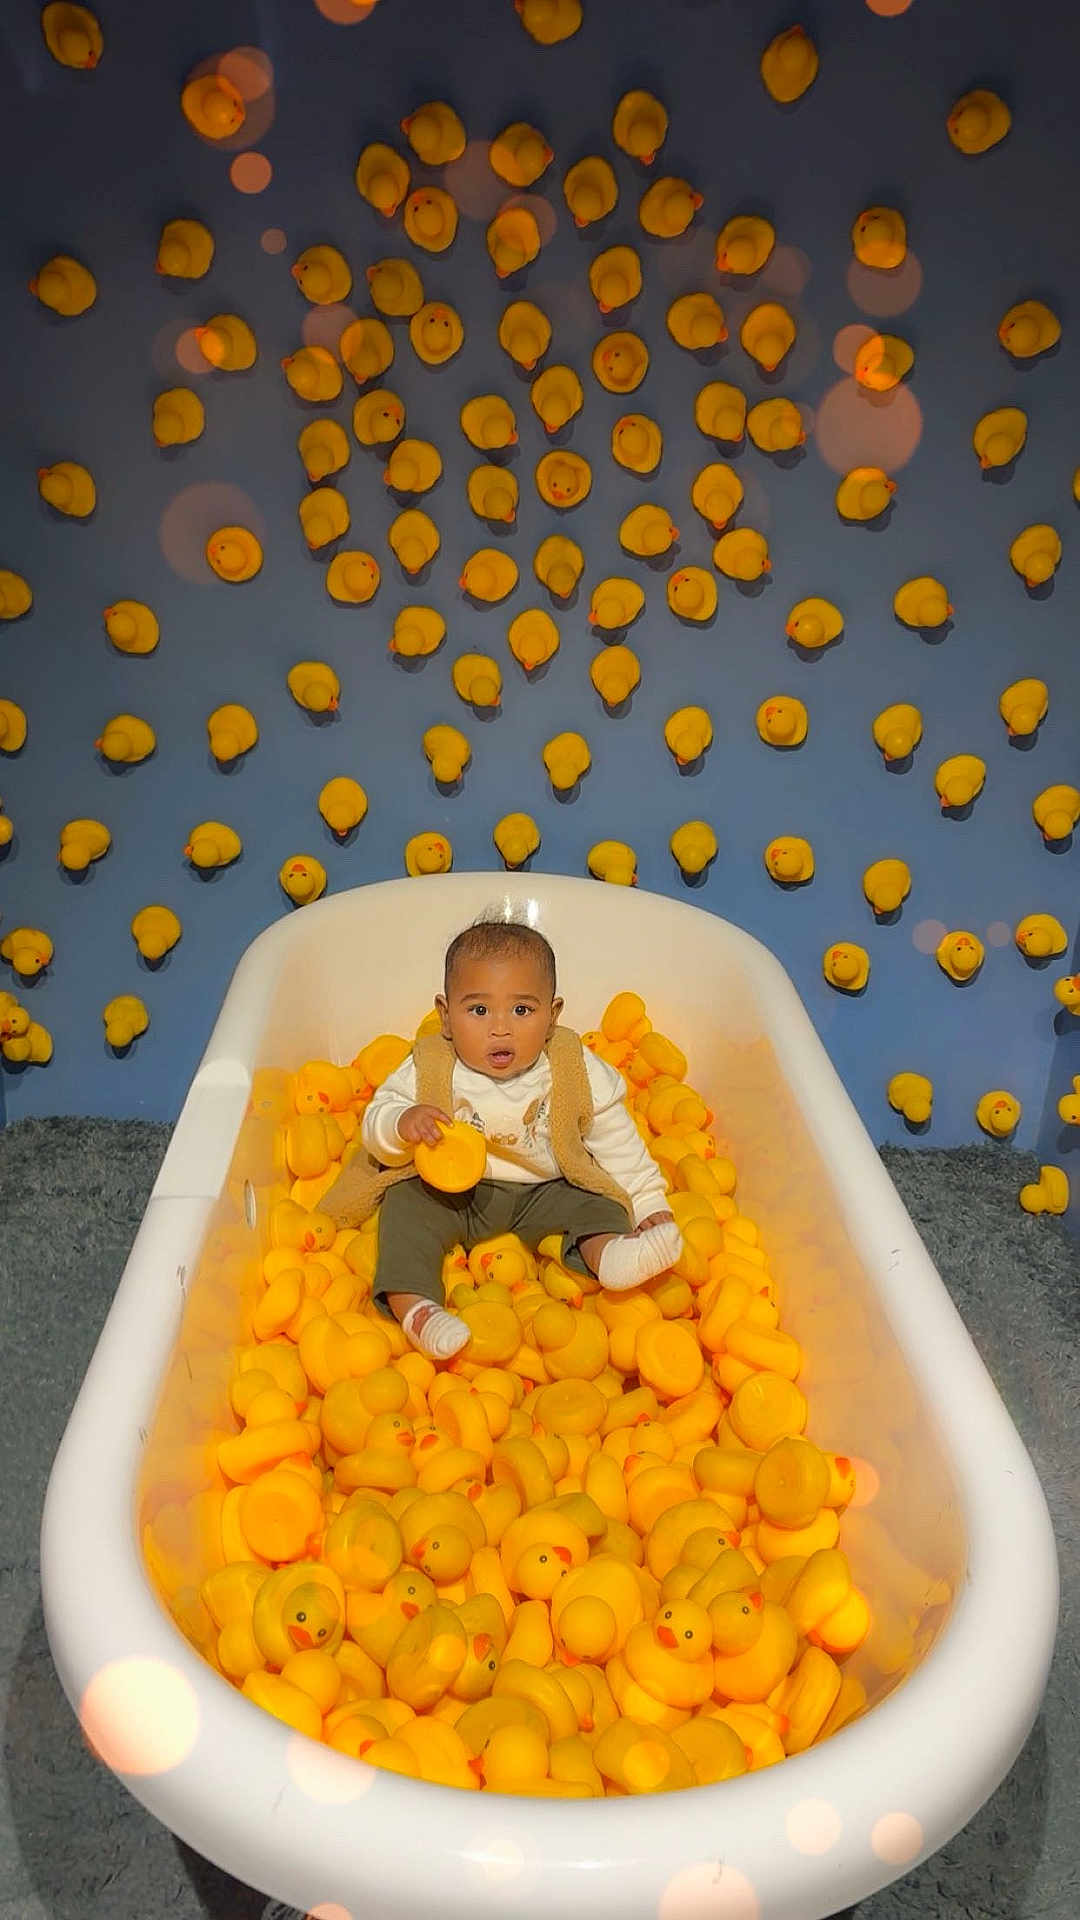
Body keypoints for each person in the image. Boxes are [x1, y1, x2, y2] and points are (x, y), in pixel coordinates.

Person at [321, 914, 683, 1359]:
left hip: (547, 1189)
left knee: (600, 1201)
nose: (500, 1028)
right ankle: (416, 1308)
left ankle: (612, 1256)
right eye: (478, 1010)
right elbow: (376, 1120)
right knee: (405, 1208)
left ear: (552, 1017)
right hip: (456, 1195)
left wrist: (648, 1202)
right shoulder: (431, 1064)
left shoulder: (570, 1066)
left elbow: (616, 1140)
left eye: (522, 1010)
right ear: (446, 1017)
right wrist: (401, 1123)